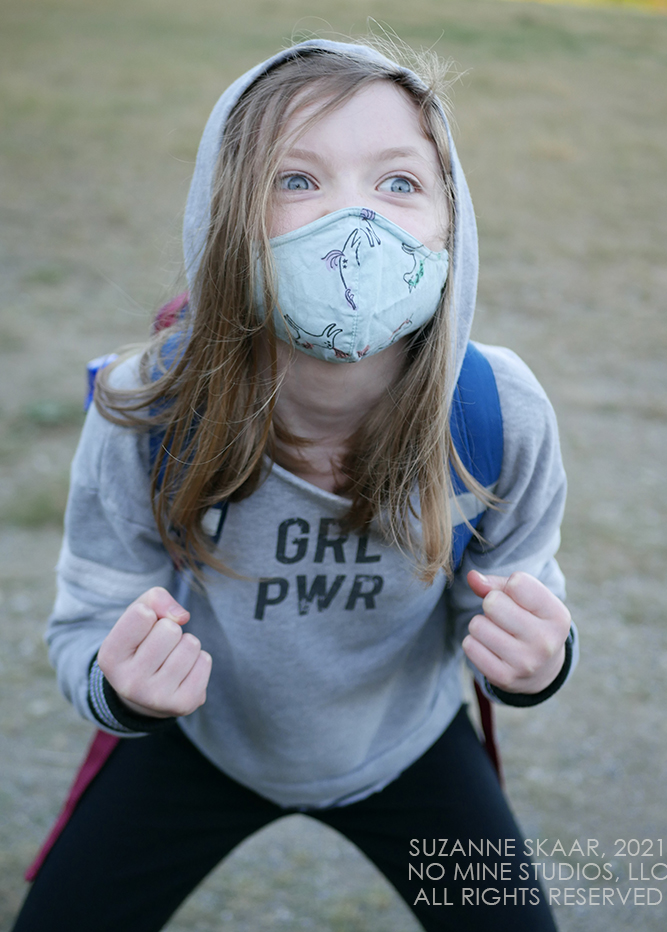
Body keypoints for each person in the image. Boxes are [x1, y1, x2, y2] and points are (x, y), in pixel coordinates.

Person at [13, 38, 578, 932]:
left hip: (407, 743)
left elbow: (514, 602)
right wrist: (121, 688)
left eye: (398, 183)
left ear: (449, 228)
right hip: (201, 740)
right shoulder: (145, 407)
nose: (356, 220)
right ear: (223, 218)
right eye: (296, 180)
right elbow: (91, 609)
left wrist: (537, 664)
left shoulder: (499, 412)